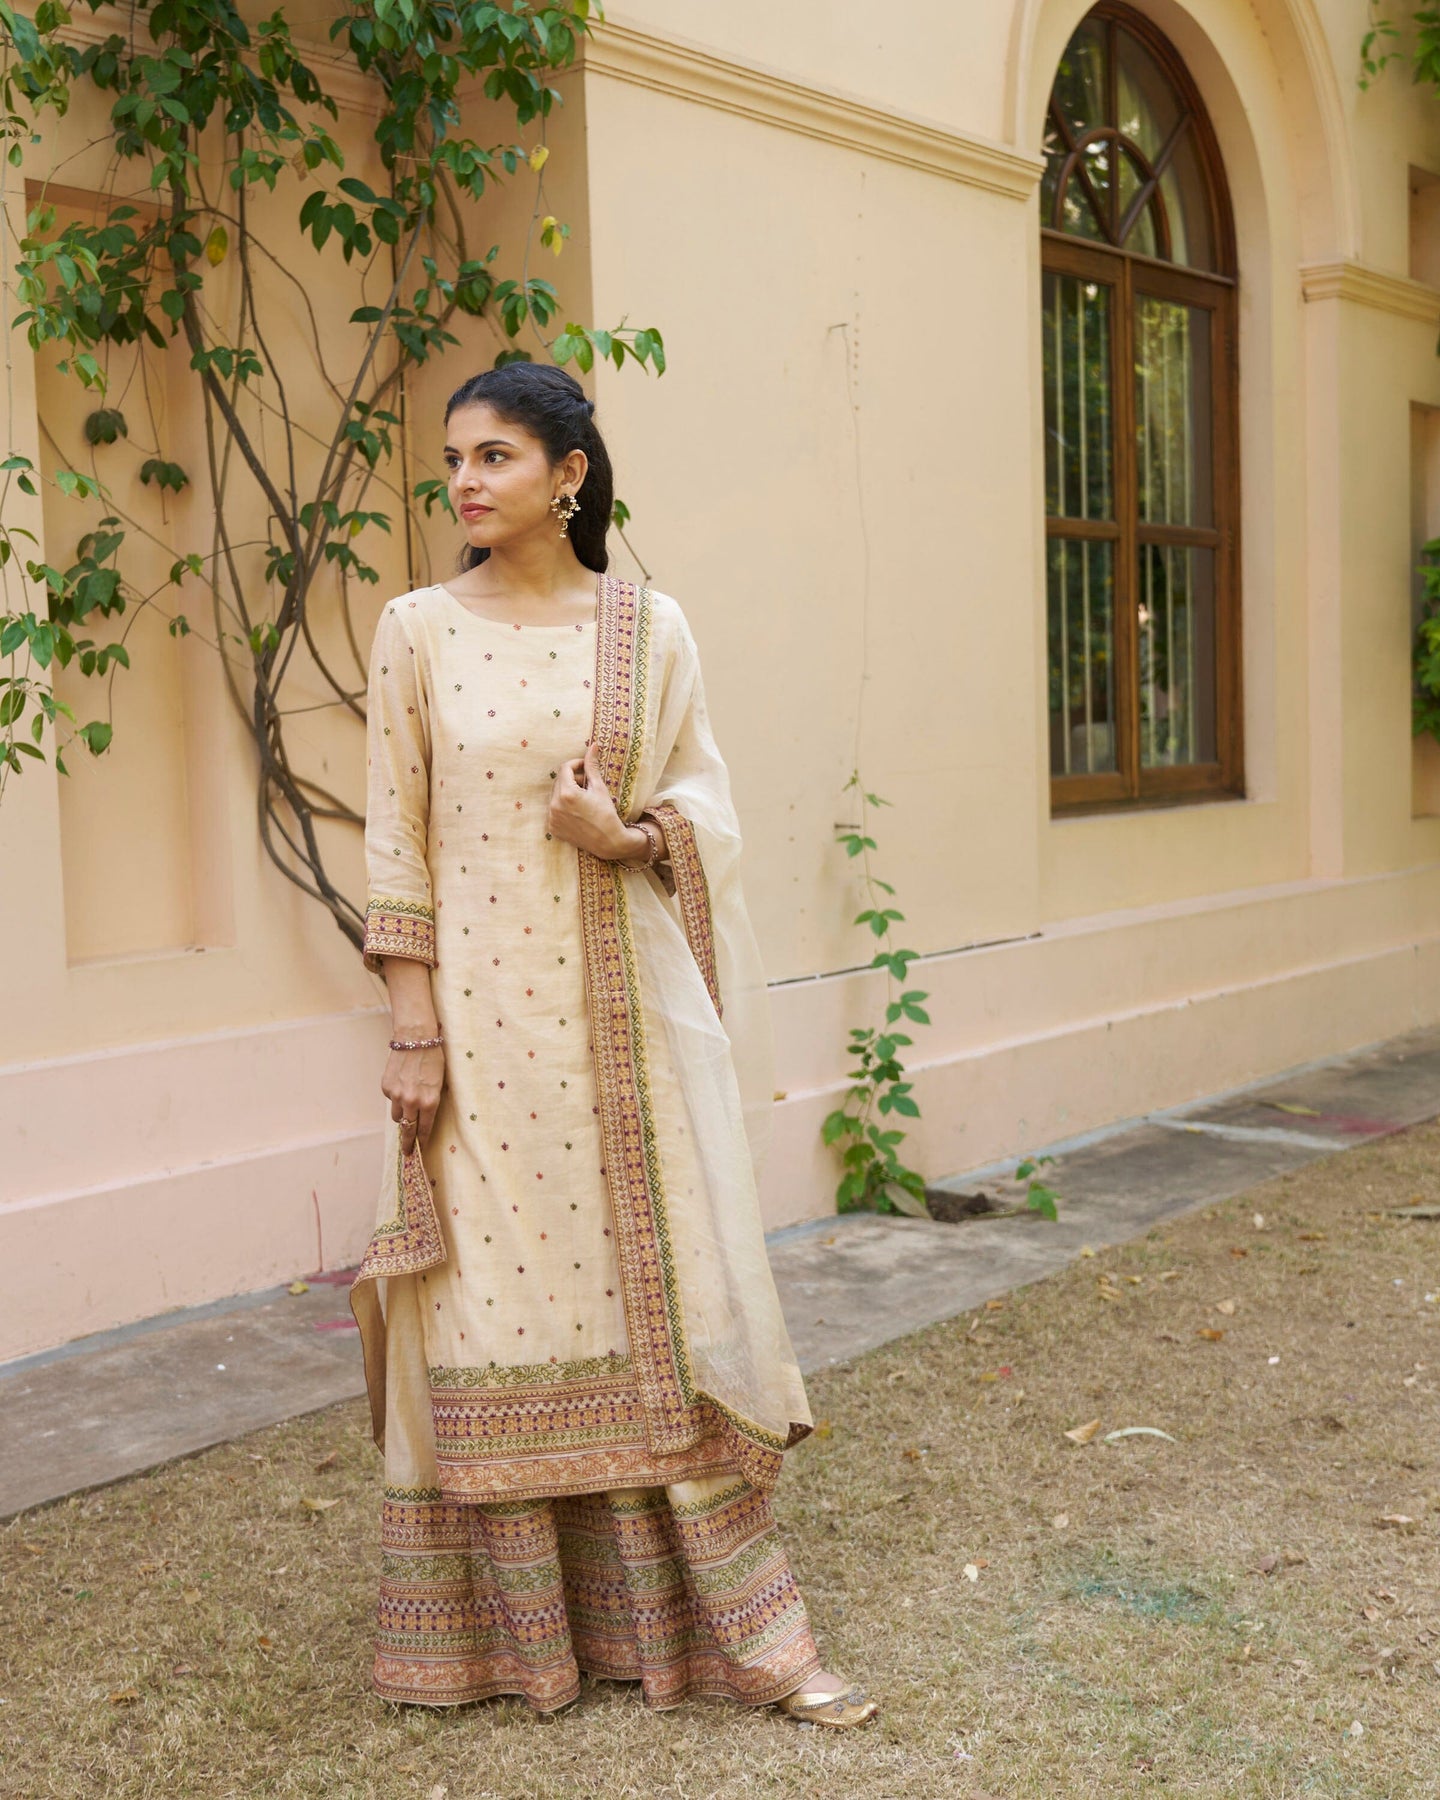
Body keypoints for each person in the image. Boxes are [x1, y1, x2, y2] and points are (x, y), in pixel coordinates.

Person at [349, 361, 877, 1727]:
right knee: (490, 1313)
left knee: (664, 1305)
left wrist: (628, 837)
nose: (464, 481)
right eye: (453, 459)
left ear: (569, 473)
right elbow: (396, 837)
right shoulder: (416, 630)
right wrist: (412, 1029)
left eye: (495, 456)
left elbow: (706, 808)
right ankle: (513, 1644)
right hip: (478, 1037)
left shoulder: (651, 630)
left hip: (621, 1031)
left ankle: (741, 1634)